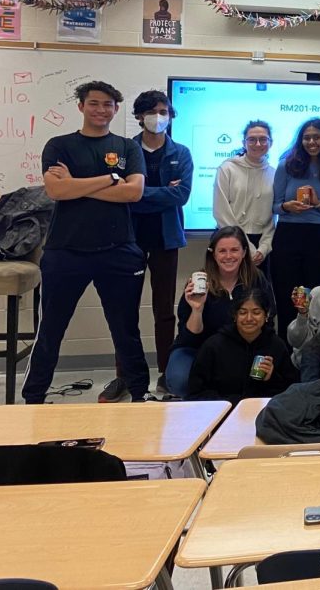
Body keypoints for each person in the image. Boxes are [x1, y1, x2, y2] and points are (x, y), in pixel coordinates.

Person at [22, 81, 151, 405]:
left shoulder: (128, 148)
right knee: (51, 331)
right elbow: (56, 191)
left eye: (107, 104)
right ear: (81, 106)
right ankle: (33, 400)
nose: (101, 110)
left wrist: (76, 185)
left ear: (116, 109)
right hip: (65, 251)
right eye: (94, 103)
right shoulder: (59, 145)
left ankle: (139, 396)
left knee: (126, 332)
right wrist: (110, 179)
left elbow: (133, 192)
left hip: (118, 250)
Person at [123, 89, 192, 399]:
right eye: (152, 111)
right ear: (139, 116)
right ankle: (125, 377)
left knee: (164, 310)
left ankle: (166, 374)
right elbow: (121, 196)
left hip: (166, 239)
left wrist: (139, 192)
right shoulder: (124, 151)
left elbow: (181, 195)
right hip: (129, 239)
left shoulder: (182, 153)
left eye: (164, 111)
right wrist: (161, 191)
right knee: (124, 310)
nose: (159, 117)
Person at [166, 225, 276, 398]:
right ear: (213, 253)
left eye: (234, 250)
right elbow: (189, 337)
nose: (228, 256)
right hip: (198, 347)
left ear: (244, 252)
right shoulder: (199, 282)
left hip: (242, 348)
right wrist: (197, 309)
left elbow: (268, 323)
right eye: (222, 251)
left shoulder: (257, 279)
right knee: (180, 380)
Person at [271, 118, 320, 338]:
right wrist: (287, 206)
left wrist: (318, 203)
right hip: (287, 236)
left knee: (316, 297)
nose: (312, 142)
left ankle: (313, 356)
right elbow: (275, 206)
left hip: (319, 238)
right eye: (307, 137)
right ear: (300, 140)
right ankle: (286, 357)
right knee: (286, 297)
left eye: (317, 137)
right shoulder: (286, 165)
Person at [186, 285, 297, 403]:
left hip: (263, 414)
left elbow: (291, 393)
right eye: (243, 312)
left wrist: (272, 378)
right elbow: (194, 392)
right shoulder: (214, 346)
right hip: (222, 412)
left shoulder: (276, 345)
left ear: (266, 315)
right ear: (235, 315)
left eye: (256, 312)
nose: (249, 318)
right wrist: (230, 403)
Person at [213, 120, 275, 267]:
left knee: (258, 289)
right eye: (252, 139)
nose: (258, 144)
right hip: (228, 239)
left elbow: (272, 216)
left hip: (261, 245)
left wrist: (264, 247)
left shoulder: (274, 173)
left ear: (270, 143)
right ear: (244, 143)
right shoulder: (227, 169)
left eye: (263, 139)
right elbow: (221, 211)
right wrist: (245, 246)